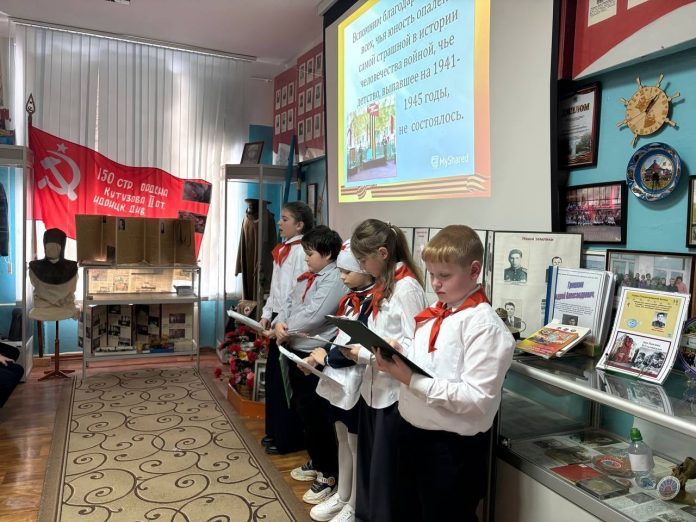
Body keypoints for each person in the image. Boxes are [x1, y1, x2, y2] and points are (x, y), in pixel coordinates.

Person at [375, 225, 515, 521]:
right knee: (409, 512)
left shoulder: (485, 327)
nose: (436, 283)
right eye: (431, 274)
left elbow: (476, 399)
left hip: (451, 449)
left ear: (474, 270)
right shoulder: (439, 310)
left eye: (445, 275)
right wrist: (400, 350)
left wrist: (411, 380)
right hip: (412, 432)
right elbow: (430, 361)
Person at [342, 219, 427, 522]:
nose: (361, 267)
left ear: (382, 253)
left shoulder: (407, 287)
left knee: (388, 479)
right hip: (372, 390)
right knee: (370, 471)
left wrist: (364, 353)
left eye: (363, 260)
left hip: (394, 396)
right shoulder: (384, 283)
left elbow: (414, 347)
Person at [273, 225, 347, 505]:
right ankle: (317, 461)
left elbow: (315, 314)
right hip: (296, 350)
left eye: (310, 253)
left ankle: (328, 474)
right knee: (306, 415)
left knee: (318, 418)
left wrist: (286, 328)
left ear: (327, 254)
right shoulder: (310, 276)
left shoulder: (334, 279)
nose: (306, 259)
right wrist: (280, 322)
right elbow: (291, 302)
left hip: (314, 357)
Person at [304, 240, 376, 522]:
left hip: (356, 380)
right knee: (341, 438)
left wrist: (328, 357)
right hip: (338, 379)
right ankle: (343, 495)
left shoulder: (373, 301)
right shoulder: (351, 299)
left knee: (356, 446)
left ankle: (354, 504)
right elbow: (341, 336)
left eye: (348, 271)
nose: (342, 276)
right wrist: (321, 355)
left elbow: (361, 345)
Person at [259, 201, 314, 456]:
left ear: (300, 224)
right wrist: (266, 314)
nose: (279, 223)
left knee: (286, 384)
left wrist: (285, 324)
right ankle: (274, 431)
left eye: (285, 219)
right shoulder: (282, 250)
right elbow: (276, 290)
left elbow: (298, 294)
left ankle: (287, 438)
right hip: (277, 320)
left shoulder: (303, 252)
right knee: (274, 381)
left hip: (290, 325)